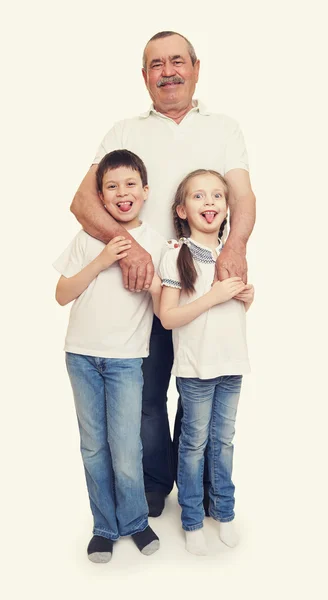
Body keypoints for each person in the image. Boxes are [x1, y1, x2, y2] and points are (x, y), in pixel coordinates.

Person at [70, 30, 256, 517]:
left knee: (205, 392)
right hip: (141, 289)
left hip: (207, 287)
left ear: (196, 67)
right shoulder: (124, 130)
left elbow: (243, 196)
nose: (168, 70)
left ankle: (211, 491)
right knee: (150, 397)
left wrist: (235, 245)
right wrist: (131, 251)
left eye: (177, 60)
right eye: (156, 64)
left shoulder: (224, 128)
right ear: (145, 76)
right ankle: (157, 483)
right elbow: (83, 199)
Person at [53, 150, 164, 563]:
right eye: (112, 187)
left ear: (145, 191)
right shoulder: (87, 239)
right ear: (99, 196)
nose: (122, 193)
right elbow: (62, 294)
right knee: (93, 447)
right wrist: (102, 260)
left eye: (130, 185)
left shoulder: (155, 244)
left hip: (125, 361)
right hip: (81, 356)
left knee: (125, 446)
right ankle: (104, 526)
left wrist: (151, 280)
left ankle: (135, 521)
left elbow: (163, 311)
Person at [159, 169, 254, 555]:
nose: (210, 202)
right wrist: (214, 297)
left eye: (217, 195)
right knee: (193, 444)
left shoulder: (230, 254)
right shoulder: (175, 253)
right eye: (198, 197)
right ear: (181, 209)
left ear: (228, 205)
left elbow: (234, 313)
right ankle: (192, 520)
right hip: (197, 369)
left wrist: (246, 298)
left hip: (232, 365)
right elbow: (168, 317)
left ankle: (225, 512)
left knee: (224, 442)